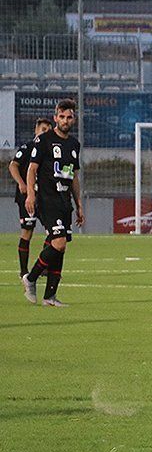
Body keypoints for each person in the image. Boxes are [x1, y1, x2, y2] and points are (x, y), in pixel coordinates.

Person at [21, 100, 84, 307]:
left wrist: (79, 204)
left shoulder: (74, 144)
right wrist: (30, 195)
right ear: (56, 117)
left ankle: (50, 297)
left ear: (73, 119)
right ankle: (30, 278)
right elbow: (31, 169)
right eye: (62, 117)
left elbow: (73, 177)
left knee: (61, 248)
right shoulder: (44, 140)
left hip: (65, 201)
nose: (65, 121)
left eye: (69, 117)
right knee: (58, 243)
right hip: (47, 199)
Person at [9, 117, 52, 277]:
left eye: (48, 130)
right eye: (43, 129)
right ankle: (23, 271)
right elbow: (13, 165)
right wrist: (21, 183)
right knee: (27, 231)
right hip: (27, 196)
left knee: (53, 231)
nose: (45, 132)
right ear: (36, 130)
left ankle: (43, 266)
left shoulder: (49, 149)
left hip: (44, 197)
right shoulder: (28, 147)